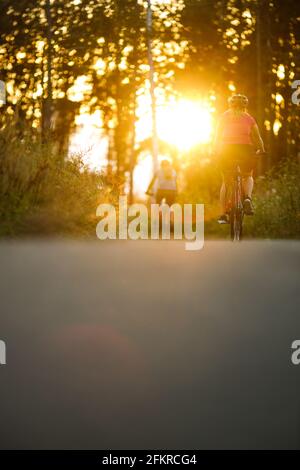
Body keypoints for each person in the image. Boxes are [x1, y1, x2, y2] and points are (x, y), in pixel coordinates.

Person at [213, 94, 265, 223]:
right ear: (244, 106)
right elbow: (257, 138)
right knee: (247, 175)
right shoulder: (249, 118)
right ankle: (247, 198)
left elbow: (217, 137)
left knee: (226, 181)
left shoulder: (224, 117)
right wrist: (262, 149)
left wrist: (215, 150)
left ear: (230, 104)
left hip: (227, 150)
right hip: (245, 150)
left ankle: (223, 214)